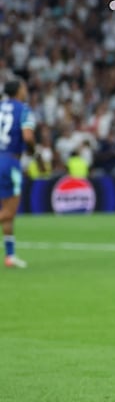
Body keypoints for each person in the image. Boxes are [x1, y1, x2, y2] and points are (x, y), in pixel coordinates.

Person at [0, 79, 38, 269]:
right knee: (9, 211)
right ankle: (11, 255)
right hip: (9, 161)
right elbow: (28, 136)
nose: (26, 91)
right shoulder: (23, 109)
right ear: (18, 91)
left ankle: (10, 255)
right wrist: (32, 150)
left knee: (7, 213)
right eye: (24, 88)